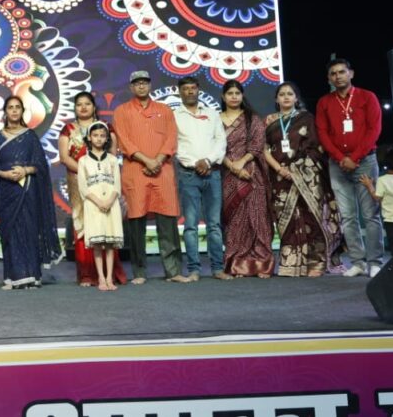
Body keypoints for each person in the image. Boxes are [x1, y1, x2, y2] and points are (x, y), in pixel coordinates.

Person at [263, 82, 343, 277]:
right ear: (276, 99)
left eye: (290, 94)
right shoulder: (269, 121)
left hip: (306, 175)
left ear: (296, 98)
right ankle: (290, 263)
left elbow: (315, 147)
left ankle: (316, 262)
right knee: (287, 219)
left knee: (311, 217)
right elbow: (264, 149)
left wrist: (296, 169)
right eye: (282, 94)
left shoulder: (306, 118)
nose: (286, 97)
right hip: (279, 176)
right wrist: (280, 169)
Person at [112, 70, 183, 285]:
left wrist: (158, 160)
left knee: (168, 221)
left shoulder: (164, 110)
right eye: (137, 83)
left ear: (150, 85)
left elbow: (171, 138)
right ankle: (139, 272)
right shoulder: (122, 111)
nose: (141, 86)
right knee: (136, 223)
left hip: (163, 170)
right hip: (136, 171)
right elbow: (123, 140)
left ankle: (173, 271)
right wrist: (146, 161)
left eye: (144, 82)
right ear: (131, 87)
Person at [315, 58, 384, 277]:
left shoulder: (367, 97)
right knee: (348, 216)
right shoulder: (324, 102)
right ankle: (358, 262)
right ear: (329, 78)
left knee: (370, 214)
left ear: (351, 74)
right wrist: (340, 158)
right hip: (337, 164)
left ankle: (375, 261)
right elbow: (322, 133)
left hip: (365, 162)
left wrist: (354, 157)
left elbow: (374, 129)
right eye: (333, 74)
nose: (338, 76)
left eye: (341, 72)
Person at [0, 96, 62, 289]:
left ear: (22, 111)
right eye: (10, 107)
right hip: (6, 191)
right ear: (5, 111)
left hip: (27, 189)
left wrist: (25, 170)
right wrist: (3, 174)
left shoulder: (30, 136)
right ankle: (13, 277)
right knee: (9, 231)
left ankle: (31, 275)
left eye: (17, 107)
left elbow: (40, 165)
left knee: (29, 229)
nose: (14, 110)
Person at [57, 92, 127, 286]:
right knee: (84, 223)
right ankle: (87, 274)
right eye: (79, 104)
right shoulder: (68, 129)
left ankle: (109, 274)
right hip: (78, 181)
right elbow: (64, 157)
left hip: (104, 182)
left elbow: (112, 155)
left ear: (94, 106)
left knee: (107, 222)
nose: (83, 107)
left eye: (87, 103)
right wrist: (85, 171)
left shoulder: (106, 128)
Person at [174, 75, 231, 283]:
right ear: (179, 91)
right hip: (188, 174)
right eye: (186, 88)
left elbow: (221, 141)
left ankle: (217, 268)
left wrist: (207, 161)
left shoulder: (212, 113)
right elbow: (175, 145)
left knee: (214, 224)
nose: (190, 91)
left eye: (193, 88)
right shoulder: (174, 116)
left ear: (198, 90)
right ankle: (194, 270)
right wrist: (195, 163)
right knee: (190, 225)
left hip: (212, 173)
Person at [218, 79, 274, 278]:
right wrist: (232, 166)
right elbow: (214, 146)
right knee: (235, 220)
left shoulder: (252, 119)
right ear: (223, 96)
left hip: (252, 173)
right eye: (230, 93)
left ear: (242, 96)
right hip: (227, 174)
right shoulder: (215, 120)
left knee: (257, 217)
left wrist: (242, 162)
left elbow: (257, 144)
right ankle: (237, 263)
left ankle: (262, 264)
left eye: (237, 93)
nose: (234, 97)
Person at [76, 121, 124, 291]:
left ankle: (110, 278)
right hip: (93, 205)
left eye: (102, 136)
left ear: (106, 139)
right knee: (97, 244)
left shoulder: (112, 160)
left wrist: (109, 201)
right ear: (89, 137)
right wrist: (98, 201)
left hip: (111, 204)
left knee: (110, 243)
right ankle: (101, 278)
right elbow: (83, 187)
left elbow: (117, 185)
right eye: (95, 135)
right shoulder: (83, 161)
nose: (98, 139)